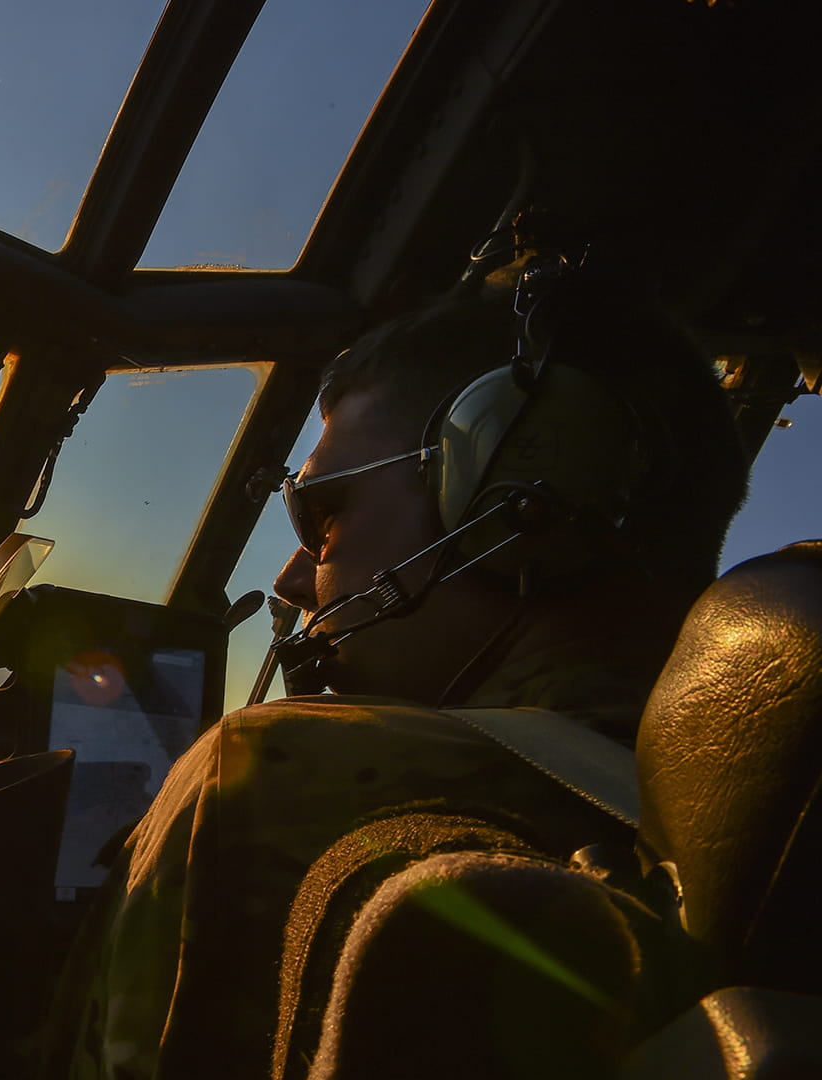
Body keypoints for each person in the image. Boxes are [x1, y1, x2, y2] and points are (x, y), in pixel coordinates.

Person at [39, 267, 748, 1079]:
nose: (293, 578)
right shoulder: (740, 849)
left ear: (513, 501)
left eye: (324, 515)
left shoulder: (276, 775)